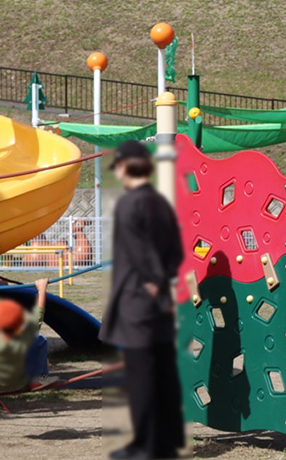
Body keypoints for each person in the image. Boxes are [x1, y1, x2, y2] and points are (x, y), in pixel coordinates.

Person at [100, 140, 184, 460]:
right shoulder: (160, 202)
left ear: (124, 166)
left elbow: (140, 251)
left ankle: (146, 447)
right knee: (163, 372)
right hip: (160, 302)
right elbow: (176, 252)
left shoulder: (129, 204)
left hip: (137, 300)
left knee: (141, 376)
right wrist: (163, 281)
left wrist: (152, 279)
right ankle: (167, 443)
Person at [0, 279, 53, 392]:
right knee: (39, 340)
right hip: (16, 384)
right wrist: (42, 290)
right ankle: (39, 378)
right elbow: (39, 313)